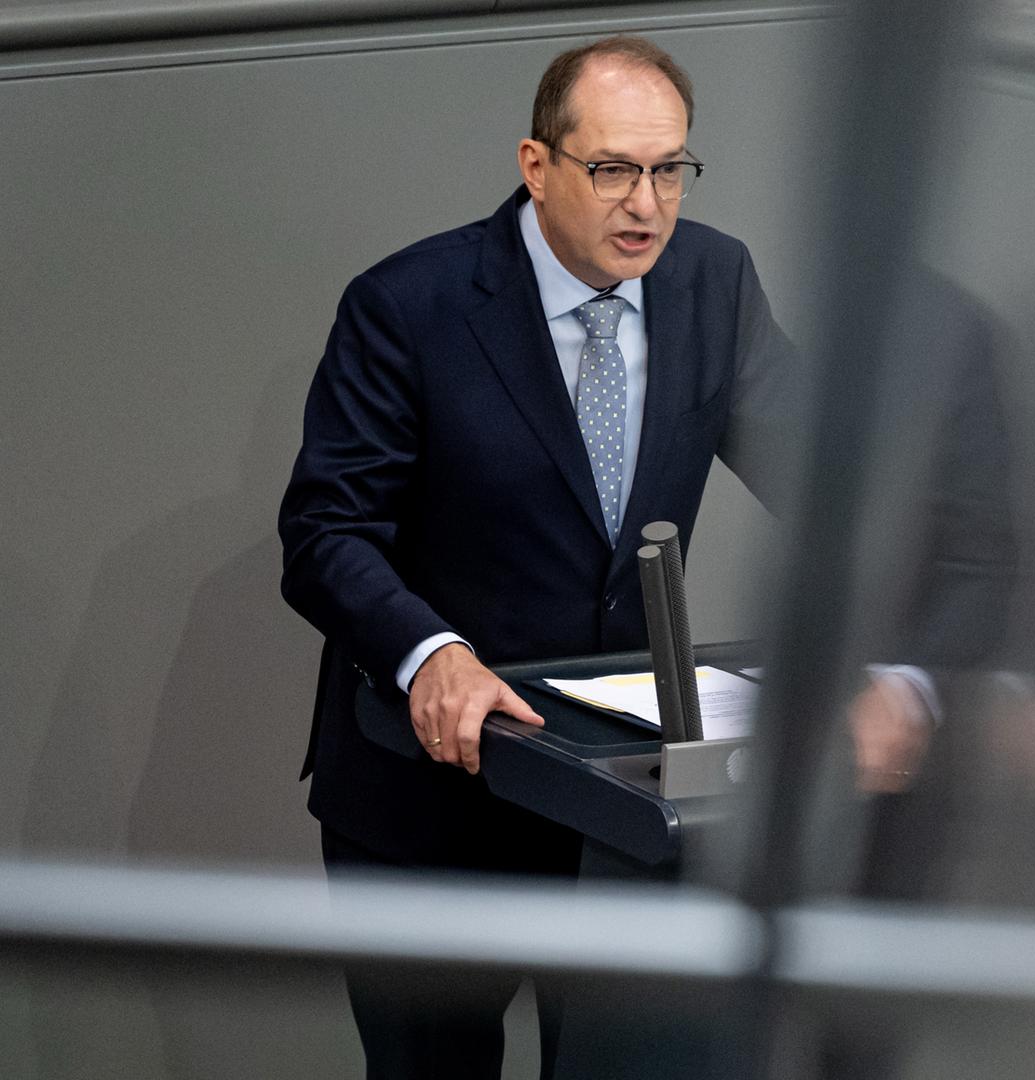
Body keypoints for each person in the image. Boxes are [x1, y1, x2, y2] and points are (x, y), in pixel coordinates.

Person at [278, 34, 797, 1079]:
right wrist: (431, 654)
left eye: (669, 170)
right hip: (431, 805)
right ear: (537, 164)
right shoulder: (410, 305)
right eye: (612, 170)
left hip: (618, 807)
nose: (645, 205)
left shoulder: (715, 280)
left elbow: (819, 476)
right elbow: (326, 531)